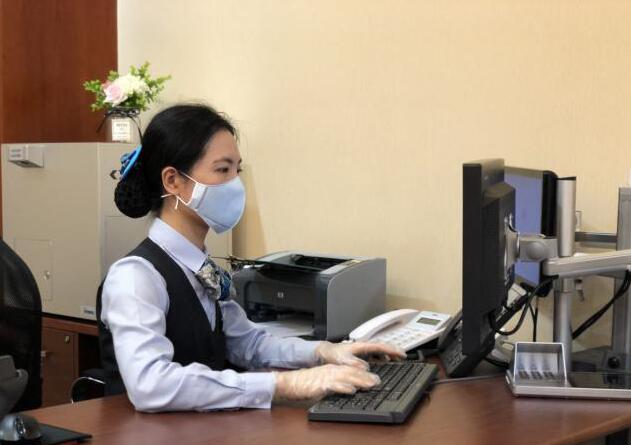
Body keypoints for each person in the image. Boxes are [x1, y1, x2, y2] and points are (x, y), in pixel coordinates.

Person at [97, 104, 404, 412]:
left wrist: (324, 353)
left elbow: (248, 343)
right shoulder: (136, 276)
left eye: (237, 171)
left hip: (205, 433)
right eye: (223, 170)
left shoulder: (201, 268)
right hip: (151, 440)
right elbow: (150, 385)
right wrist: (284, 385)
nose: (235, 184)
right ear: (173, 181)